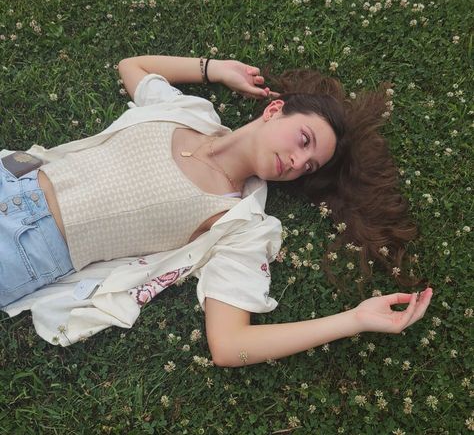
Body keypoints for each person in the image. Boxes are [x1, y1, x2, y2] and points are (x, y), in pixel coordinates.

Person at [0, 55, 432, 364]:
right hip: (11, 177)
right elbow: (133, 67)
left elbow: (229, 345)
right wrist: (215, 69)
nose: (299, 163)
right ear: (274, 110)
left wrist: (353, 320)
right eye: (304, 141)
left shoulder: (240, 224)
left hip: (26, 250)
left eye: (310, 165)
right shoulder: (188, 112)